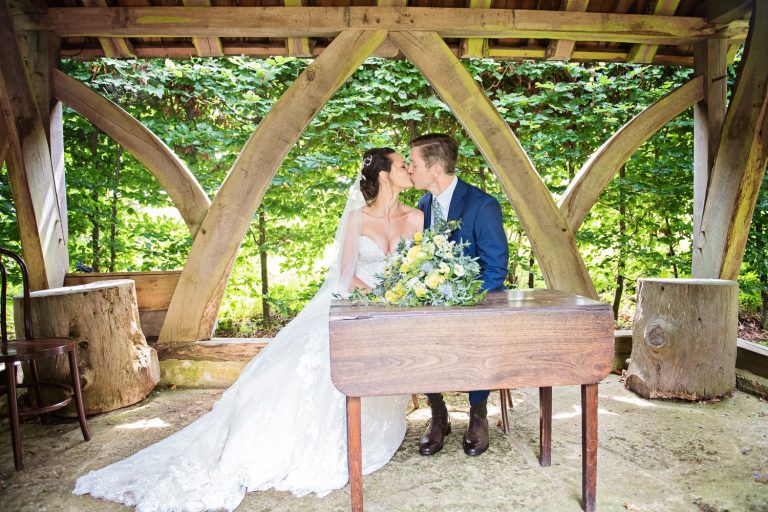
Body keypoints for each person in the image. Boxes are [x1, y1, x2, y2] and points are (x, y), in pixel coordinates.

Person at [74, 148, 423, 512]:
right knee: (307, 362)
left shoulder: (415, 217)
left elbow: (418, 268)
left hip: (394, 313)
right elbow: (347, 274)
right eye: (402, 165)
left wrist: (400, 299)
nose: (409, 170)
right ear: (384, 175)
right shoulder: (356, 219)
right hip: (354, 304)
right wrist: (382, 297)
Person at [407, 133, 508, 457]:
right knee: (416, 332)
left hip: (476, 302)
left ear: (435, 169)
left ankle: (478, 414)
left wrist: (460, 299)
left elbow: (495, 268)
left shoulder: (482, 204)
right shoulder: (424, 205)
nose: (410, 169)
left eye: (414, 163)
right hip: (433, 303)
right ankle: (438, 414)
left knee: (476, 332)